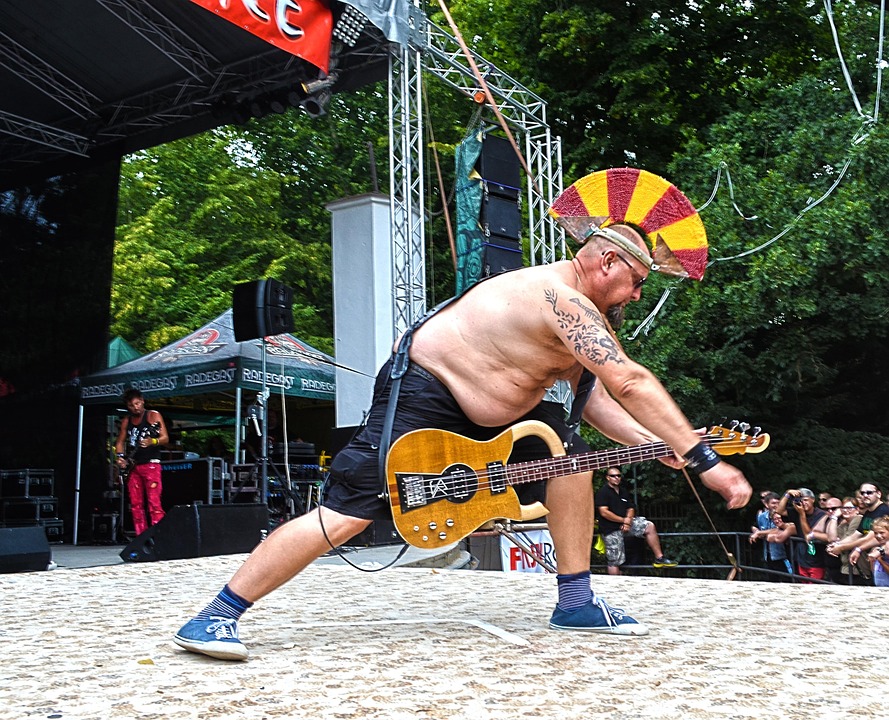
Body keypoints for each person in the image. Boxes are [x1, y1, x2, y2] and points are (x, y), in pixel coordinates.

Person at [173, 223, 751, 660]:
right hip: (427, 394)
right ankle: (217, 614)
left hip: (497, 418)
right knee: (346, 516)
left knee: (571, 462)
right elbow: (630, 379)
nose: (635, 295)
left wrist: (658, 443)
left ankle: (575, 602)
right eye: (636, 282)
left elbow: (596, 398)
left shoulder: (589, 315)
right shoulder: (561, 299)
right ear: (606, 262)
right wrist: (704, 461)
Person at [594, 467, 677, 574]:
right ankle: (614, 585)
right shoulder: (603, 492)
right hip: (611, 529)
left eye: (618, 476)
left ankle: (659, 558)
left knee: (649, 526)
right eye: (613, 476)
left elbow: (631, 507)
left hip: (626, 523)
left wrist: (628, 520)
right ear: (607, 478)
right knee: (614, 560)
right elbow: (604, 512)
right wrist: (624, 520)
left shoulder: (623, 491)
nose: (616, 478)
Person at [114, 388, 169, 536]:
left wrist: (153, 440)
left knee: (154, 502)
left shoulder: (153, 415)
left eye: (138, 403)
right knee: (136, 504)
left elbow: (165, 438)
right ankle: (141, 537)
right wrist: (120, 457)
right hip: (134, 466)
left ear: (143, 401)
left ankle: (159, 536)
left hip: (151, 464)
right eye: (132, 405)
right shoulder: (127, 420)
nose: (136, 407)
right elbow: (119, 442)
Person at [831, 483, 889, 582]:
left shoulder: (883, 511)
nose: (865, 495)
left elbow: (871, 537)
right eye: (862, 493)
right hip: (871, 562)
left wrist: (842, 548)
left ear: (879, 494)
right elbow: (856, 534)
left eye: (869, 492)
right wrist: (836, 545)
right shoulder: (868, 512)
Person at [777, 488, 830, 582]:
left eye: (805, 500)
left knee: (815, 588)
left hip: (817, 559)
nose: (803, 503)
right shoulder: (797, 511)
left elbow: (808, 534)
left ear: (813, 500)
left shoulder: (821, 515)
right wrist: (787, 494)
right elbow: (780, 511)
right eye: (800, 500)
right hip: (801, 558)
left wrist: (802, 515)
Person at [749, 492, 793, 579]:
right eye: (773, 503)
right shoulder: (761, 516)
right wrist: (756, 531)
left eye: (778, 503)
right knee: (772, 579)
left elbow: (777, 530)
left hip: (783, 554)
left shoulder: (783, 515)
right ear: (766, 504)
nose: (776, 505)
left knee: (787, 580)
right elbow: (757, 527)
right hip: (768, 554)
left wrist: (760, 533)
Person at [826, 497, 869, 585]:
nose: (845, 510)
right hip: (847, 568)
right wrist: (834, 517)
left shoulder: (858, 519)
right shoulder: (844, 524)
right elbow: (831, 538)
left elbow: (849, 538)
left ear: (857, 509)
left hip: (858, 568)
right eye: (843, 508)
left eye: (849, 508)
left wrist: (833, 546)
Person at [866, 516, 889, 587]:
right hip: (879, 586)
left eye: (882, 533)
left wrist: (880, 560)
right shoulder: (877, 548)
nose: (878, 535)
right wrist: (872, 561)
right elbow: (874, 572)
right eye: (876, 533)